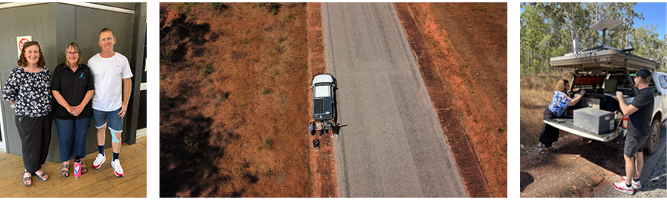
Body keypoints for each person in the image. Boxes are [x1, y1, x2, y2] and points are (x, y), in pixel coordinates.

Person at [3, 41, 52, 186]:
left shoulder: (45, 72)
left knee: (43, 143)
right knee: (30, 145)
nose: (33, 54)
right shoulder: (18, 72)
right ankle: (28, 170)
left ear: (40, 54)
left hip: (45, 115)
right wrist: (21, 107)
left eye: (36, 51)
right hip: (26, 117)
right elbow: (7, 93)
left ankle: (36, 168)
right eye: (29, 51)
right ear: (24, 54)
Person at [88, 28, 133, 177]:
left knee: (116, 135)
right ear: (99, 43)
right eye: (103, 39)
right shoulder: (92, 61)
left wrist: (125, 103)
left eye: (109, 38)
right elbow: (88, 84)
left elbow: (127, 81)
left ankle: (115, 160)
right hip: (98, 105)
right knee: (100, 130)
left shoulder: (122, 60)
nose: (106, 41)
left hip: (116, 107)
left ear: (114, 40)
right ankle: (101, 155)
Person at [52, 42, 95, 178]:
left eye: (75, 52)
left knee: (81, 137)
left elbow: (90, 90)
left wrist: (81, 106)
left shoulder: (85, 70)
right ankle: (65, 162)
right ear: (66, 54)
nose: (72, 55)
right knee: (65, 138)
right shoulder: (59, 70)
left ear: (79, 54)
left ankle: (79, 160)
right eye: (69, 52)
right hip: (63, 112)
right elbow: (55, 91)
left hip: (84, 112)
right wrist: (69, 108)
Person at [613, 68, 654, 194]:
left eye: (635, 77)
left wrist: (620, 98)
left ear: (640, 79)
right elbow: (635, 106)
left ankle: (628, 185)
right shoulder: (646, 92)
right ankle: (636, 179)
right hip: (642, 130)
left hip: (636, 132)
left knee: (628, 156)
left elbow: (626, 111)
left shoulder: (644, 94)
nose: (633, 79)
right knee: (639, 154)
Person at [537, 79, 585, 155]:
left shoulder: (564, 93)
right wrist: (581, 95)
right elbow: (572, 102)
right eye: (567, 85)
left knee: (553, 131)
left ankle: (548, 145)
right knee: (546, 130)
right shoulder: (560, 94)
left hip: (556, 115)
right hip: (550, 114)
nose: (569, 86)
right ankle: (540, 146)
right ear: (564, 86)